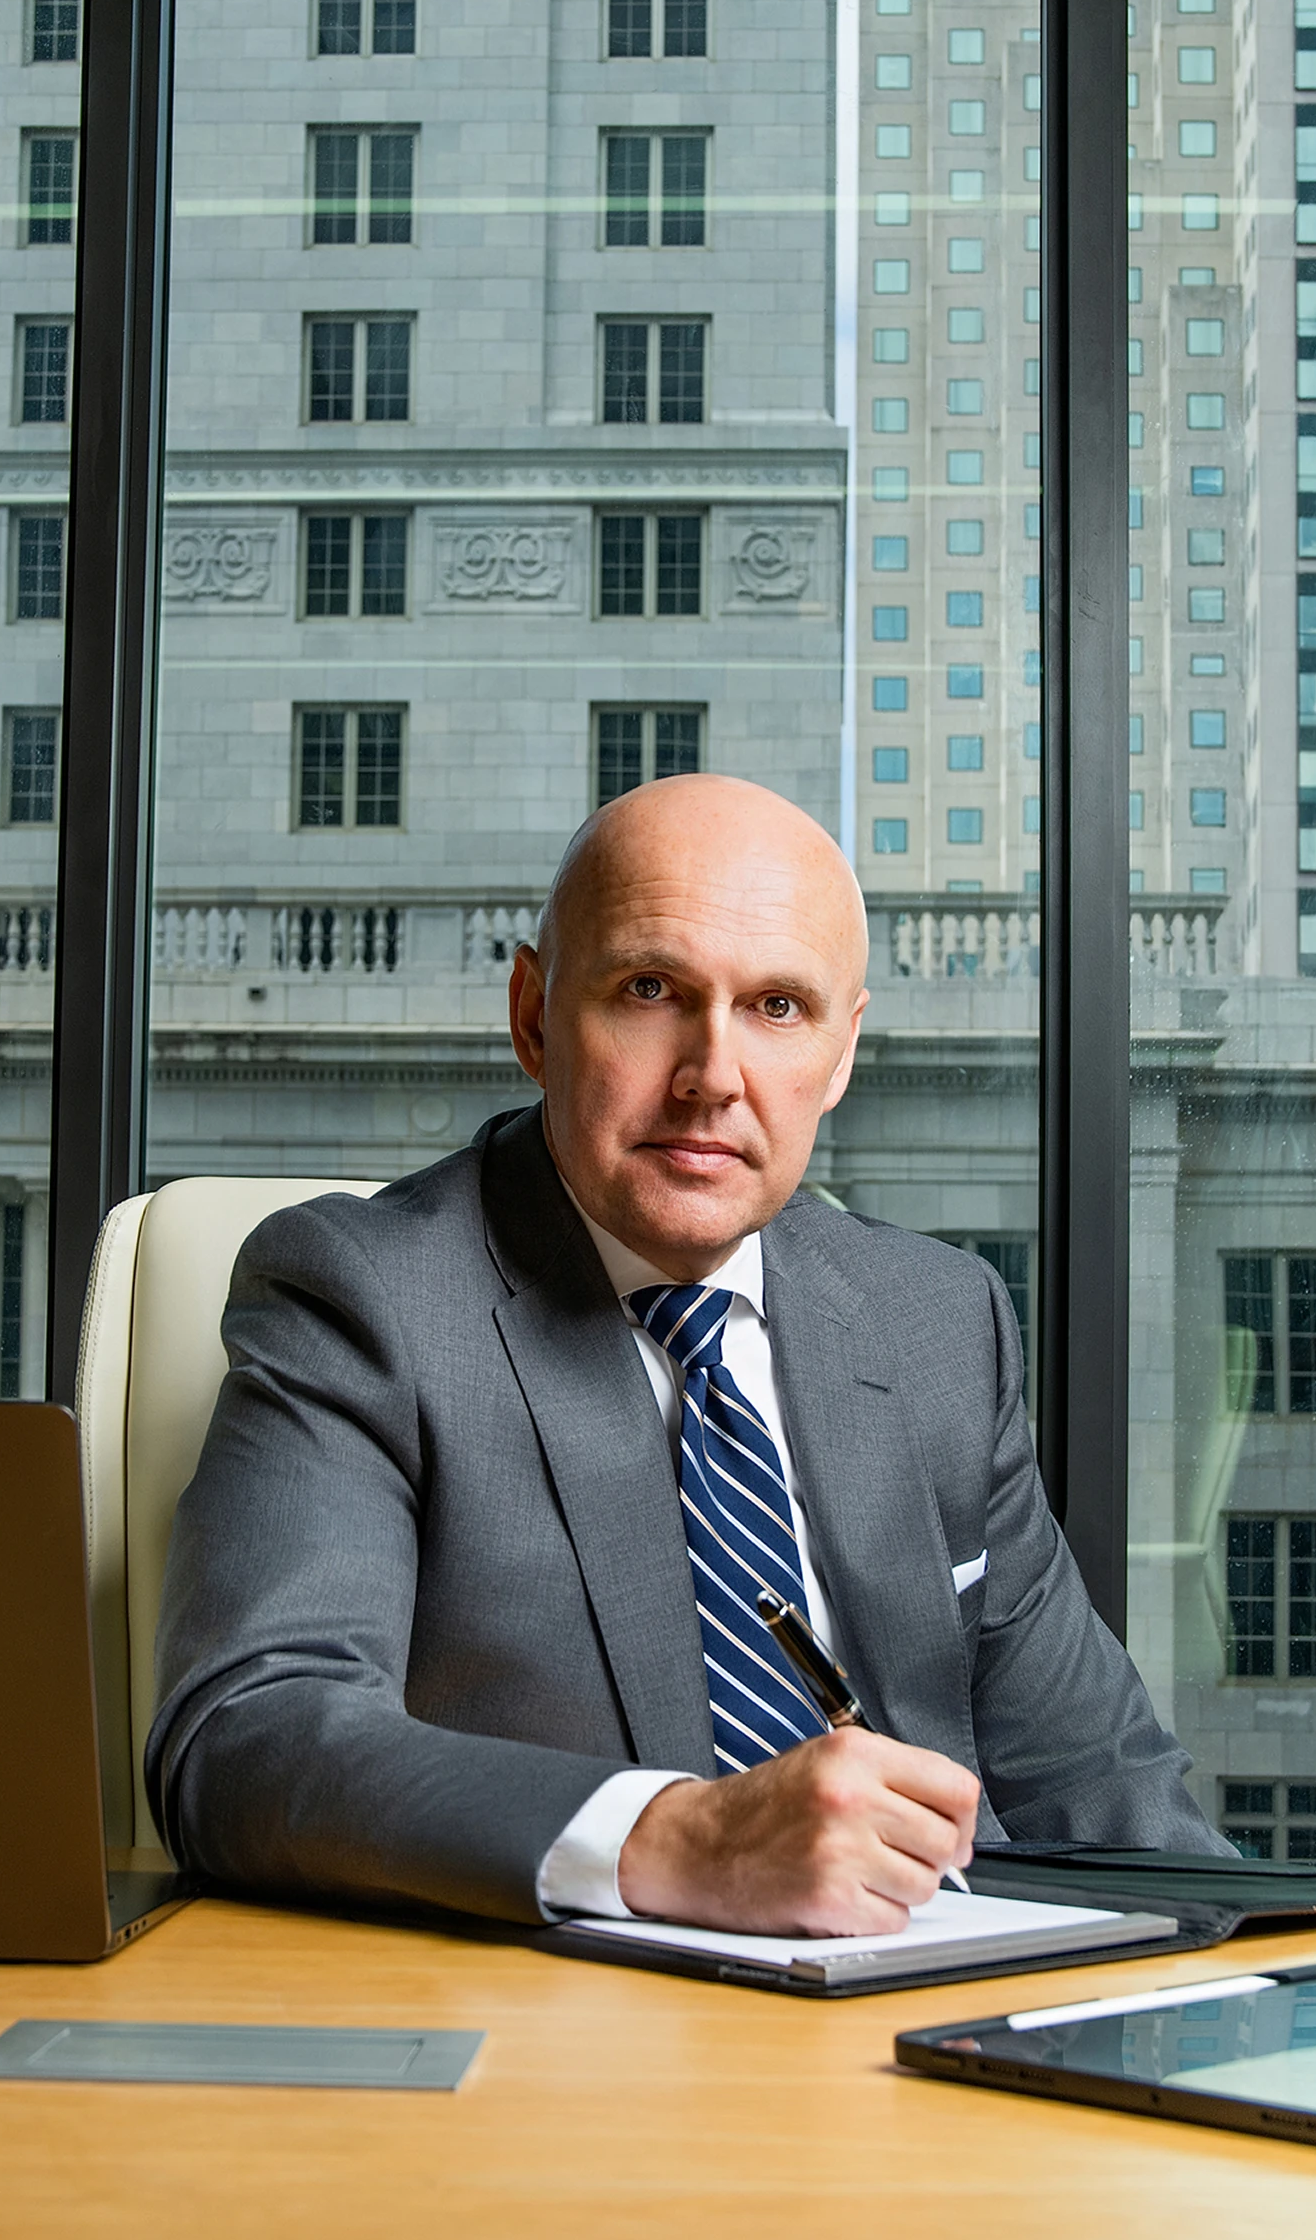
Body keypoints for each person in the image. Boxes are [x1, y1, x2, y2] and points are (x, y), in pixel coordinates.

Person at [147, 774, 1229, 1937]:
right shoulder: (361, 1292)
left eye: (778, 1006)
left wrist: (1285, 1984)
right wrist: (685, 1838)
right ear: (534, 1017)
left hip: (943, 1999)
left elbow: (1101, 1783)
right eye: (651, 990)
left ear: (842, 1053)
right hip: (564, 2024)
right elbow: (247, 1738)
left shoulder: (939, 1317)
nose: (713, 1074)